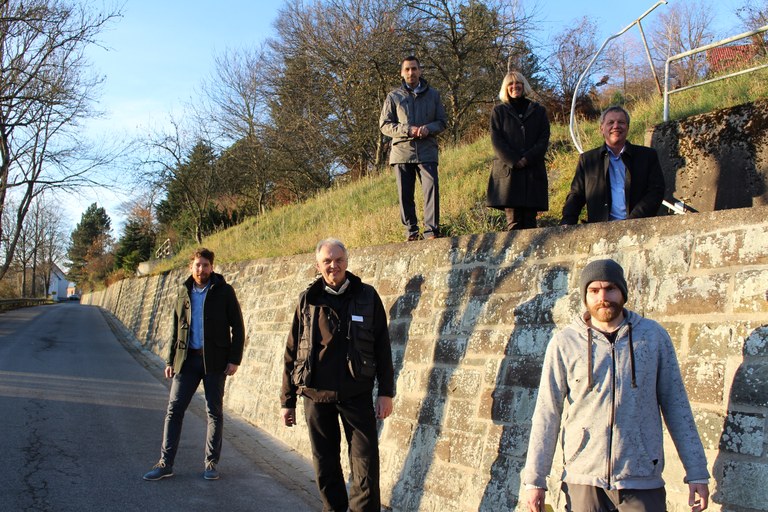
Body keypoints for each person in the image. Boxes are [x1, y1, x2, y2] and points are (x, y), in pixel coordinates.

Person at [523, 259, 710, 512]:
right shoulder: (564, 343)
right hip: (583, 481)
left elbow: (677, 406)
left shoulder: (653, 337)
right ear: (585, 296)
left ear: (622, 292)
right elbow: (547, 413)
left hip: (642, 478)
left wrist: (697, 472)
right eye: (594, 290)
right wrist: (535, 480)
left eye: (610, 288)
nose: (603, 297)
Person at [281, 238, 395, 512]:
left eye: (339, 259)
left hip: (355, 393)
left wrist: (386, 392)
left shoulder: (367, 296)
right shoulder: (308, 300)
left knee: (365, 464)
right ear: (318, 265)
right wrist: (287, 400)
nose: (334, 266)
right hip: (315, 396)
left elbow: (382, 347)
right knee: (325, 465)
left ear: (347, 261)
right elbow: (292, 350)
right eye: (327, 261)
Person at [143, 248, 245, 481]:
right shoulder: (183, 292)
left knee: (214, 412)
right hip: (187, 361)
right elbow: (176, 328)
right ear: (191, 267)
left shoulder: (225, 292)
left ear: (212, 267)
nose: (202, 269)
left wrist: (234, 359)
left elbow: (238, 327)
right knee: (174, 411)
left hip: (215, 362)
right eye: (198, 265)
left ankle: (210, 464)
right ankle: (165, 463)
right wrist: (170, 360)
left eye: (206, 265)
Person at [561, 105, 665, 225]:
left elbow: (656, 191)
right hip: (600, 231)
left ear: (628, 127)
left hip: (639, 227)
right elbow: (576, 195)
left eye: (621, 122)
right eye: (610, 122)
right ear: (602, 128)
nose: (616, 126)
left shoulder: (647, 156)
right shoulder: (588, 160)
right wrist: (566, 224)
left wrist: (633, 221)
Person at [380, 56, 447, 241]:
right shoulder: (393, 97)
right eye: (407, 69)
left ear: (420, 71)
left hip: (427, 150)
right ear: (402, 73)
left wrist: (429, 129)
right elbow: (385, 125)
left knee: (431, 189)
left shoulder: (433, 95)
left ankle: (432, 231)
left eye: (414, 69)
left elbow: (442, 122)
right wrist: (408, 130)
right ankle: (411, 232)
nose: (411, 72)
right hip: (402, 152)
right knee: (405, 195)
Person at [486, 71, 550, 230]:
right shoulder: (498, 112)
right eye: (511, 84)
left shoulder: (538, 111)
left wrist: (528, 158)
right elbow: (497, 140)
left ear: (524, 85)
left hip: (532, 172)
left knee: (530, 224)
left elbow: (543, 138)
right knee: (513, 224)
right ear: (505, 88)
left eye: (518, 83)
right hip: (509, 176)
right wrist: (514, 160)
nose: (515, 87)